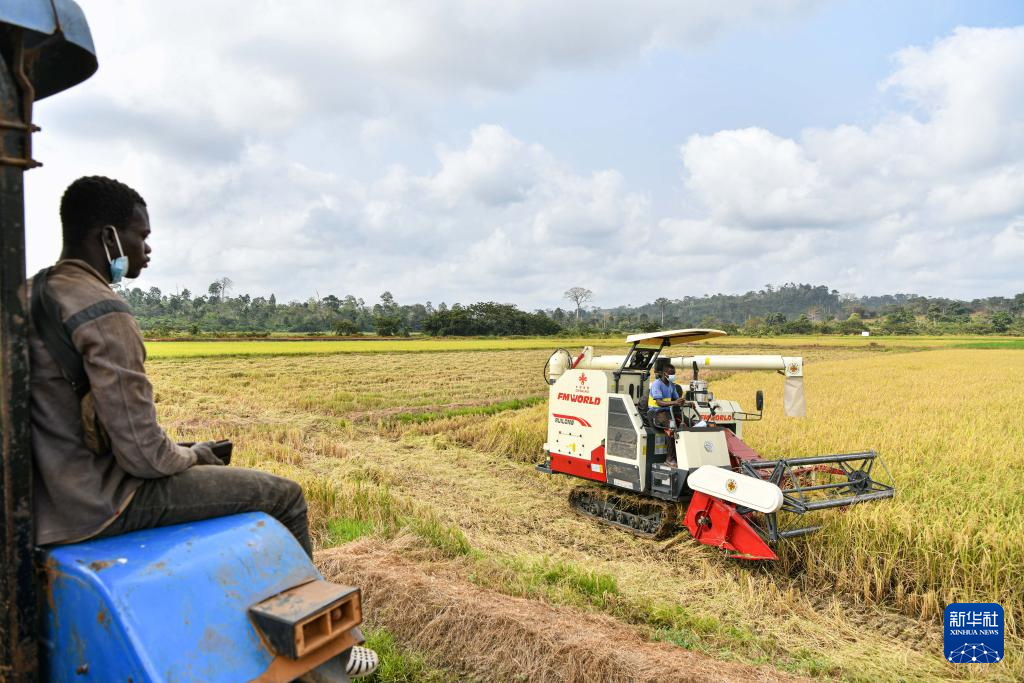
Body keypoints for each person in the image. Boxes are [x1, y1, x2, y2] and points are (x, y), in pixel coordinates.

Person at [27, 176, 312, 556]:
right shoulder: (102, 309)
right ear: (109, 237)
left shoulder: (27, 294)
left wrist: (182, 449)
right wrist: (194, 455)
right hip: (94, 504)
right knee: (285, 497)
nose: (147, 249)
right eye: (140, 236)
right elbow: (144, 457)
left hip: (37, 503)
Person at [647, 359, 683, 466]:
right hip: (656, 413)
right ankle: (669, 458)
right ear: (664, 374)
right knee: (671, 427)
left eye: (674, 374)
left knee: (687, 423)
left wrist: (686, 402)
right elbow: (659, 402)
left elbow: (676, 399)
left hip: (668, 412)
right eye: (671, 374)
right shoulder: (657, 384)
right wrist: (675, 402)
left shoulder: (671, 385)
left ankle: (683, 455)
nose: (673, 376)